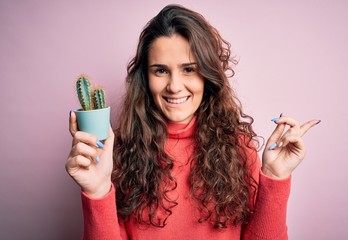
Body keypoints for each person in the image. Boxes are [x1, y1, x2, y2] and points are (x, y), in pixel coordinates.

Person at [66, 4, 319, 240]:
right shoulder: (115, 154)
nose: (175, 87)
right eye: (161, 70)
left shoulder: (239, 148)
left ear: (207, 75)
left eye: (189, 69)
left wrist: (275, 178)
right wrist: (97, 191)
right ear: (146, 77)